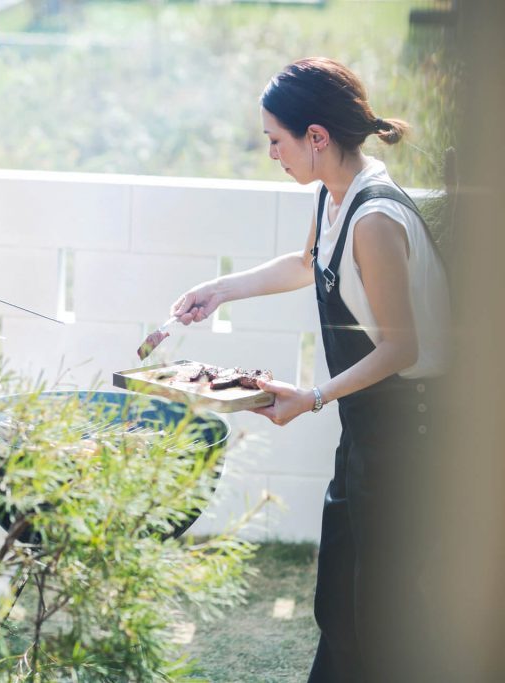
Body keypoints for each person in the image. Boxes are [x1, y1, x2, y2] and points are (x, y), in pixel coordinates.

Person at [154, 58, 450, 681]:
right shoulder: (334, 194)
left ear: (316, 136)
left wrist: (311, 397)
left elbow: (401, 348)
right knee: (340, 601)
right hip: (369, 429)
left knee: (383, 614)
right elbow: (307, 261)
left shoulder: (374, 218)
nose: (271, 154)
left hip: (413, 434)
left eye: (275, 140)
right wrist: (218, 290)